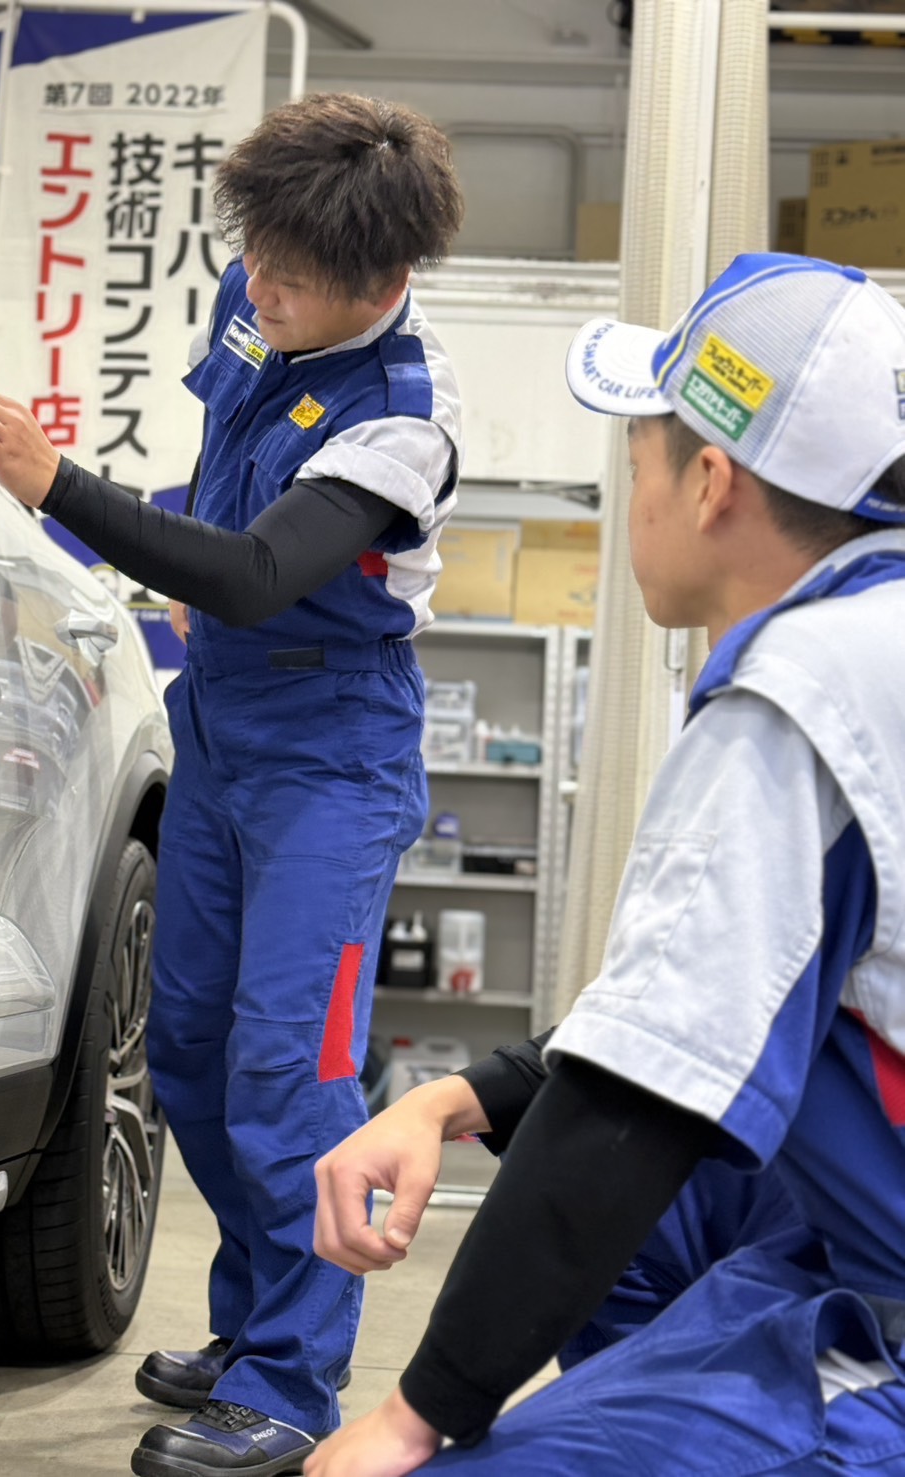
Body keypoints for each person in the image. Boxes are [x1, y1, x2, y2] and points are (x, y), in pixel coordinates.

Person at [0, 92, 463, 1477]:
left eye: (298, 280)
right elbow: (218, 475)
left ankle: (293, 1384)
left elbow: (250, 570)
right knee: (189, 1055)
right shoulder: (258, 291)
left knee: (292, 1067)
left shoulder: (402, 423)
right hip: (218, 726)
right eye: (257, 258)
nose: (264, 291)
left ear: (387, 284)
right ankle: (248, 1322)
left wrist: (54, 482)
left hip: (333, 759)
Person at [303, 251, 905, 1476]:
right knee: (624, 1189)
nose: (628, 494)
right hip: (851, 1213)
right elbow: (705, 1005)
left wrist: (414, 1416)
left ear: (708, 483)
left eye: (633, 464)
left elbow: (648, 1091)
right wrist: (453, 1099)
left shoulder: (804, 695)